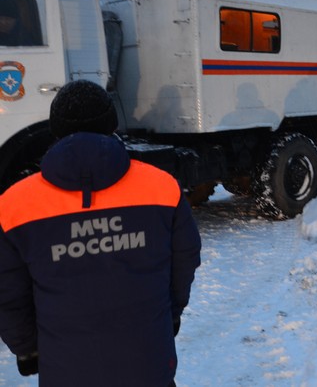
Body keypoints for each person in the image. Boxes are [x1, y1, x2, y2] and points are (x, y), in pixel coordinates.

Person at [0, 80, 202, 386]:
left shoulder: (13, 205)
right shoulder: (161, 187)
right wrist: (169, 314)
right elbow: (183, 262)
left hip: (65, 369)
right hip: (148, 362)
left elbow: (8, 294)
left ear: (55, 129)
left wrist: (27, 348)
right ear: (111, 124)